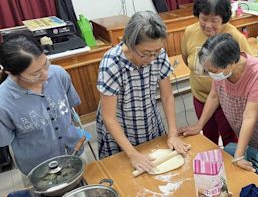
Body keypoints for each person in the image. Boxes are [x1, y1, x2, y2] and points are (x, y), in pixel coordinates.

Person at [96, 11, 190, 173]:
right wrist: (132, 153)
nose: (152, 58)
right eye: (145, 53)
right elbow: (109, 118)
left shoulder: (158, 55)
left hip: (148, 121)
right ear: (130, 43)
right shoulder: (112, 63)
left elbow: (167, 96)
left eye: (157, 51)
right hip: (120, 130)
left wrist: (172, 133)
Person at [179, 33, 258, 171]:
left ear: (231, 63)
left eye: (213, 71)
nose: (211, 74)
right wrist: (199, 125)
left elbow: (250, 116)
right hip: (247, 130)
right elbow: (214, 96)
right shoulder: (221, 68)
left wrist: (238, 156)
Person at [0, 34, 81, 175]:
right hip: (39, 170)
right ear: (11, 73)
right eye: (35, 74)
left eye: (46, 64)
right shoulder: (3, 101)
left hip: (75, 152)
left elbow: (71, 109)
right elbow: (5, 140)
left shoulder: (58, 74)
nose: (45, 75)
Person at [181, 0, 252, 146]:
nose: (207, 25)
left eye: (214, 20)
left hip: (228, 100)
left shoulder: (234, 37)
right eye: (204, 18)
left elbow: (247, 68)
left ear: (224, 19)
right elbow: (186, 58)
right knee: (208, 137)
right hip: (200, 97)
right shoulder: (190, 32)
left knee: (230, 139)